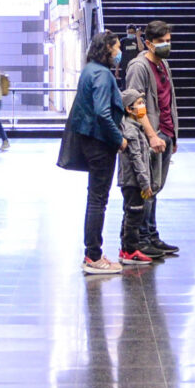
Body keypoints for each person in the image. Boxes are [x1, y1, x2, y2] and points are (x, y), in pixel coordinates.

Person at [57, 30, 127, 275]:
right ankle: (93, 256)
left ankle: (93, 253)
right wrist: (119, 139)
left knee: (94, 198)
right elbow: (102, 112)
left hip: (89, 141)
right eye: (117, 47)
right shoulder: (102, 74)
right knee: (98, 200)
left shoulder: (88, 69)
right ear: (107, 48)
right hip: (100, 143)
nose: (120, 52)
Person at [123, 20, 178, 257]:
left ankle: (152, 235)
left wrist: (173, 135)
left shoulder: (164, 64)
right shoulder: (138, 67)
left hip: (165, 133)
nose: (166, 45)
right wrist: (152, 135)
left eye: (168, 41)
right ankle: (142, 237)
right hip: (149, 136)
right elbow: (136, 104)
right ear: (148, 43)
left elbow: (169, 100)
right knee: (146, 187)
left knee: (155, 187)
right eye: (161, 42)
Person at [116, 87, 159, 266]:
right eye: (139, 103)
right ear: (128, 109)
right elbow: (135, 159)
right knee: (134, 214)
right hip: (133, 181)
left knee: (130, 213)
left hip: (132, 181)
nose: (143, 106)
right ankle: (130, 250)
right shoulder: (130, 130)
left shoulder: (135, 127)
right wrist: (145, 183)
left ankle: (126, 248)